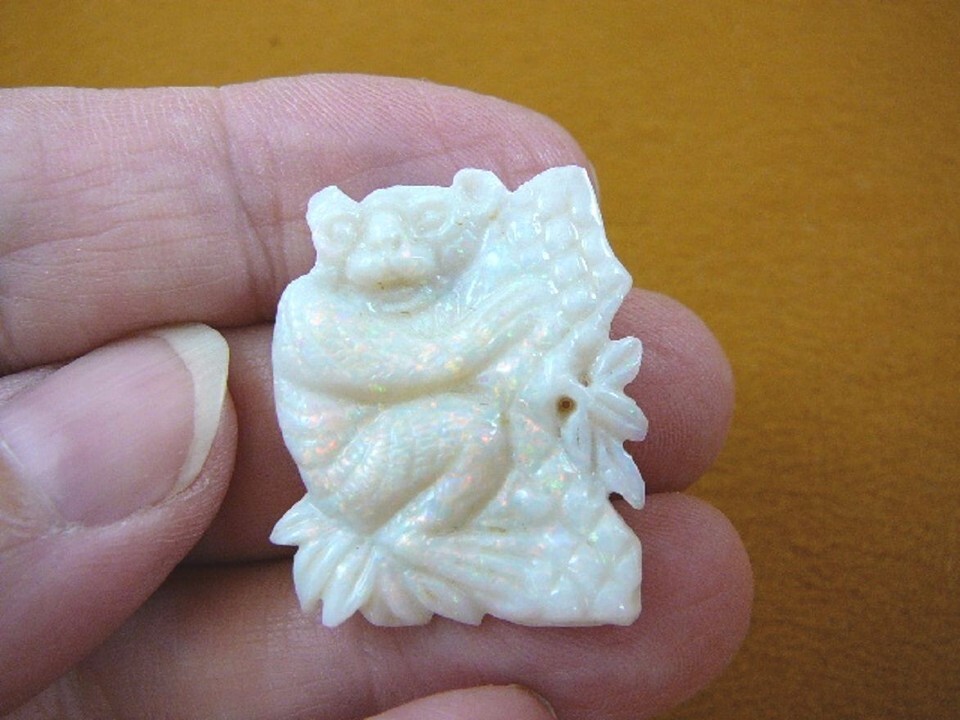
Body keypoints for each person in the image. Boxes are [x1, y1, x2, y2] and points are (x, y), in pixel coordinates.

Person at [0, 75, 752, 719]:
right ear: (342, 248)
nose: (402, 259)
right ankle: (419, 534)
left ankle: (473, 523)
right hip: (360, 471)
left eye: (410, 245)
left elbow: (455, 345)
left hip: (413, 448)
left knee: (483, 424)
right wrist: (498, 323)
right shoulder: (315, 310)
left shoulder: (410, 294)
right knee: (469, 425)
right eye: (382, 247)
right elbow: (427, 364)